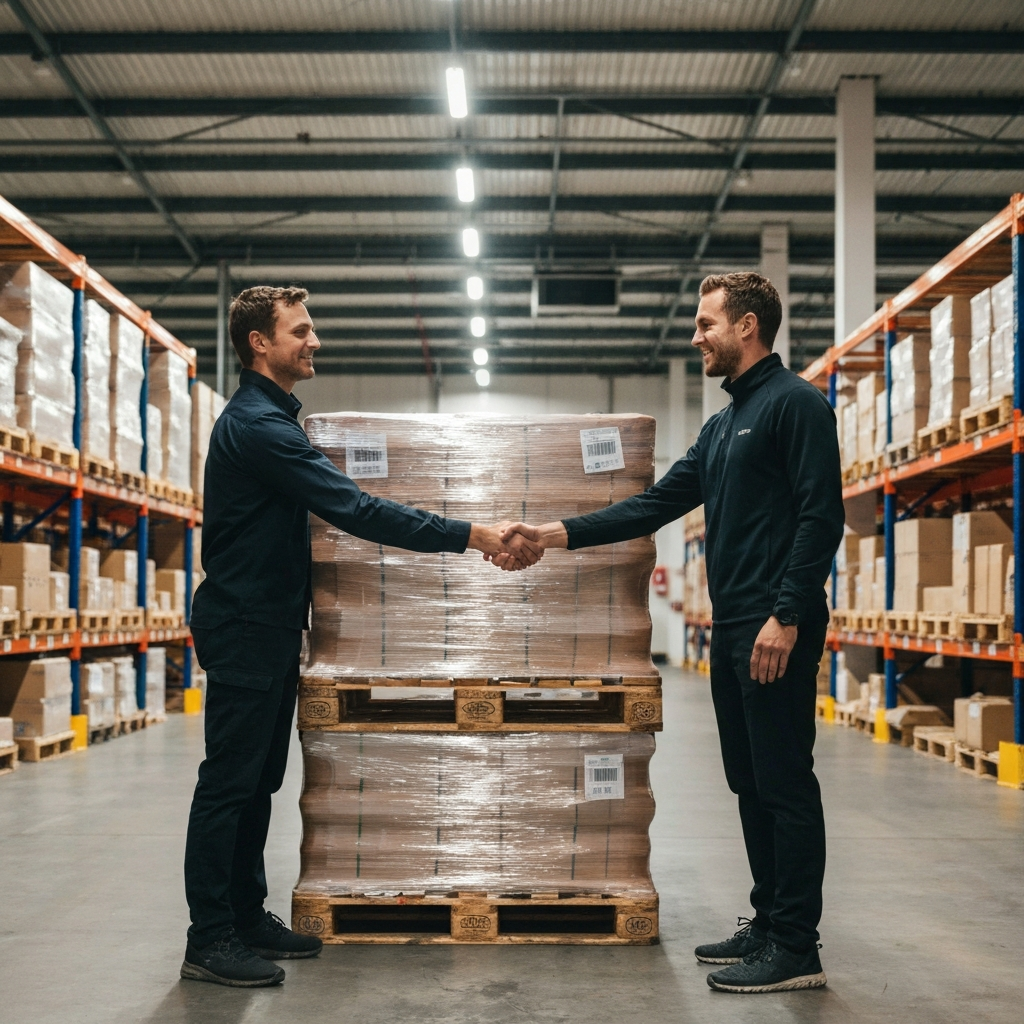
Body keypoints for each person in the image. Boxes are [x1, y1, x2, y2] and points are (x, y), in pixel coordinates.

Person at [182, 286, 539, 988]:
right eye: (301, 331)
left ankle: (245, 914)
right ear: (260, 342)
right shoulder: (260, 427)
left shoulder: (274, 421)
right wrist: (473, 535)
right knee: (229, 783)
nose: (313, 342)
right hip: (246, 625)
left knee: (259, 781)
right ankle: (209, 937)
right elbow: (355, 508)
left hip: (270, 623)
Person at [497, 272, 844, 994]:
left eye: (706, 323)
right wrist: (554, 534)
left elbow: (821, 518)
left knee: (783, 782)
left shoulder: (796, 406)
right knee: (748, 783)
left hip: (774, 626)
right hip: (733, 627)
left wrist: (788, 614)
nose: (696, 337)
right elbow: (651, 506)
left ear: (747, 327)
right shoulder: (722, 427)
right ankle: (769, 918)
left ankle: (797, 945)